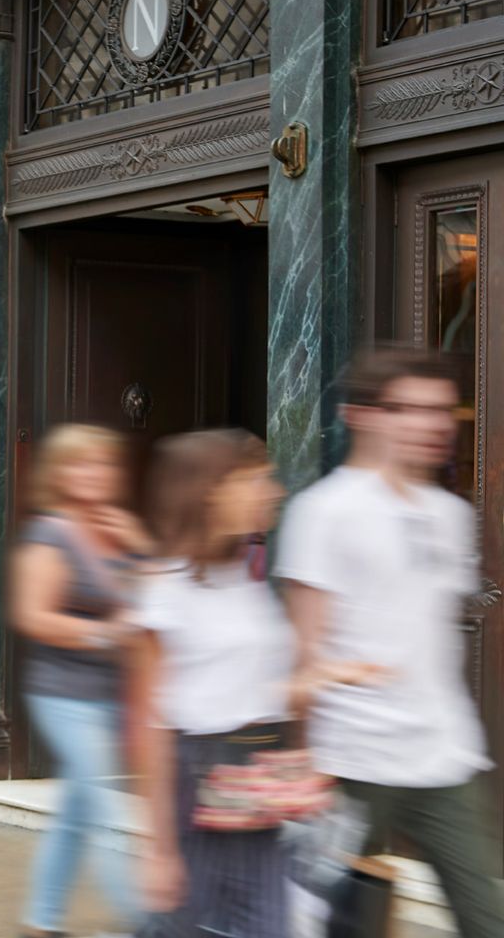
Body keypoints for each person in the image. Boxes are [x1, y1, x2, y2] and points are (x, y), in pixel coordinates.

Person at [277, 347, 504, 937]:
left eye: (440, 411)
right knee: (331, 923)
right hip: (350, 759)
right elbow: (305, 650)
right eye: (411, 410)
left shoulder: (450, 514)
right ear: (363, 414)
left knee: (487, 917)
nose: (433, 425)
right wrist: (304, 760)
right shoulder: (324, 511)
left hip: (443, 753)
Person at [129, 429, 296, 938]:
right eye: (255, 478)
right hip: (198, 783)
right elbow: (147, 725)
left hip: (256, 781)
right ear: (210, 491)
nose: (273, 490)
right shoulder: (166, 589)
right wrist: (159, 848)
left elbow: (256, 684)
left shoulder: (246, 577)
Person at [9, 425, 149, 938]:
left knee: (77, 809)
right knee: (102, 807)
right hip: (62, 693)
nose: (96, 474)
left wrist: (142, 548)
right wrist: (106, 634)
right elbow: (34, 616)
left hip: (114, 694)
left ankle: (42, 919)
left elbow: (158, 597)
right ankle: (144, 921)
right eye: (82, 464)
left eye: (105, 464)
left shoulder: (122, 528)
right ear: (60, 474)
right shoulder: (51, 533)